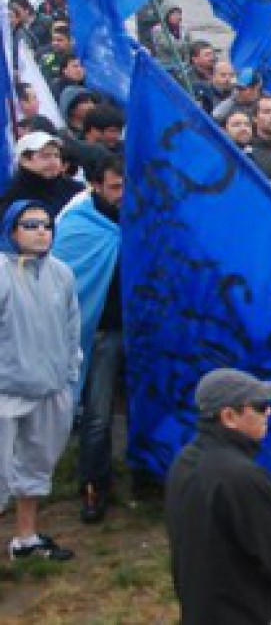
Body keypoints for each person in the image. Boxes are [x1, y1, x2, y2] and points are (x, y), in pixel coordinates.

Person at [165, 368, 271, 623]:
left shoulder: (184, 462)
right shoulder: (242, 478)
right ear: (229, 416)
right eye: (259, 406)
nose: (269, 411)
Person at [0, 201, 80, 562]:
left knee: (37, 463)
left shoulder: (62, 274)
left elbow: (72, 328)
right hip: (5, 391)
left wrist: (67, 376)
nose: (41, 231)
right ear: (12, 231)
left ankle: (26, 538)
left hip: (50, 389)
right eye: (30, 225)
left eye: (46, 225)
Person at [53, 158, 125, 524]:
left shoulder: (148, 219)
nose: (124, 195)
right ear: (95, 185)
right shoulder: (78, 225)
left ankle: (152, 475)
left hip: (144, 333)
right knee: (97, 417)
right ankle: (94, 485)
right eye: (115, 187)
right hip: (101, 333)